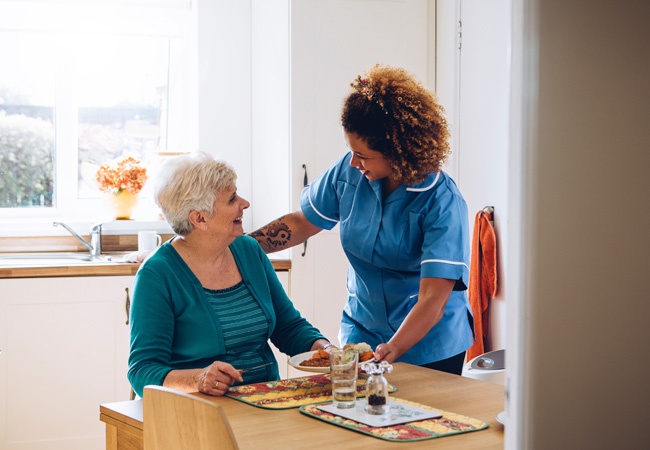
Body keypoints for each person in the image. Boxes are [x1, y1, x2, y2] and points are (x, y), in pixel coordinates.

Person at [249, 64, 473, 375]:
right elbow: (302, 223)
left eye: (364, 155)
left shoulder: (442, 201)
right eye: (350, 151)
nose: (354, 162)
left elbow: (433, 299)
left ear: (398, 151)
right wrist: (241, 247)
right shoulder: (350, 171)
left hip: (429, 345)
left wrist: (394, 348)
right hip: (362, 333)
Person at [128, 152, 330, 397]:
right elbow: (142, 371)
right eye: (232, 199)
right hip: (197, 409)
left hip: (264, 399)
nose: (244, 203)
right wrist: (199, 378)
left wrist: (326, 350)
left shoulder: (248, 250)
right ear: (199, 218)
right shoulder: (157, 275)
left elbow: (288, 327)